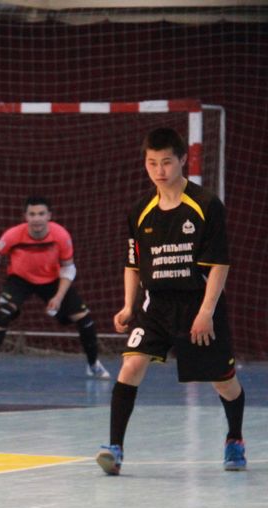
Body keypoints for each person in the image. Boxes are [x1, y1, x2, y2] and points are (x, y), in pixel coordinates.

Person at [96, 127, 246, 476]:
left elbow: (220, 264)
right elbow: (133, 264)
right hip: (155, 306)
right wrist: (128, 305)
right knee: (131, 366)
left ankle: (235, 439)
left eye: (166, 162)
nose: (159, 170)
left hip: (198, 305)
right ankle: (115, 449)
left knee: (223, 382)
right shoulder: (139, 211)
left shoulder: (206, 205)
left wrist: (206, 312)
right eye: (152, 163)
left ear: (182, 160)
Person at [0, 197, 110, 381]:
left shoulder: (61, 235)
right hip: (19, 280)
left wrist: (58, 297)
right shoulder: (13, 235)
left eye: (41, 214)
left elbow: (68, 268)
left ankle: (93, 364)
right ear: (25, 217)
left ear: (49, 216)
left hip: (52, 280)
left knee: (84, 319)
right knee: (3, 314)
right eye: (32, 214)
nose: (36, 218)